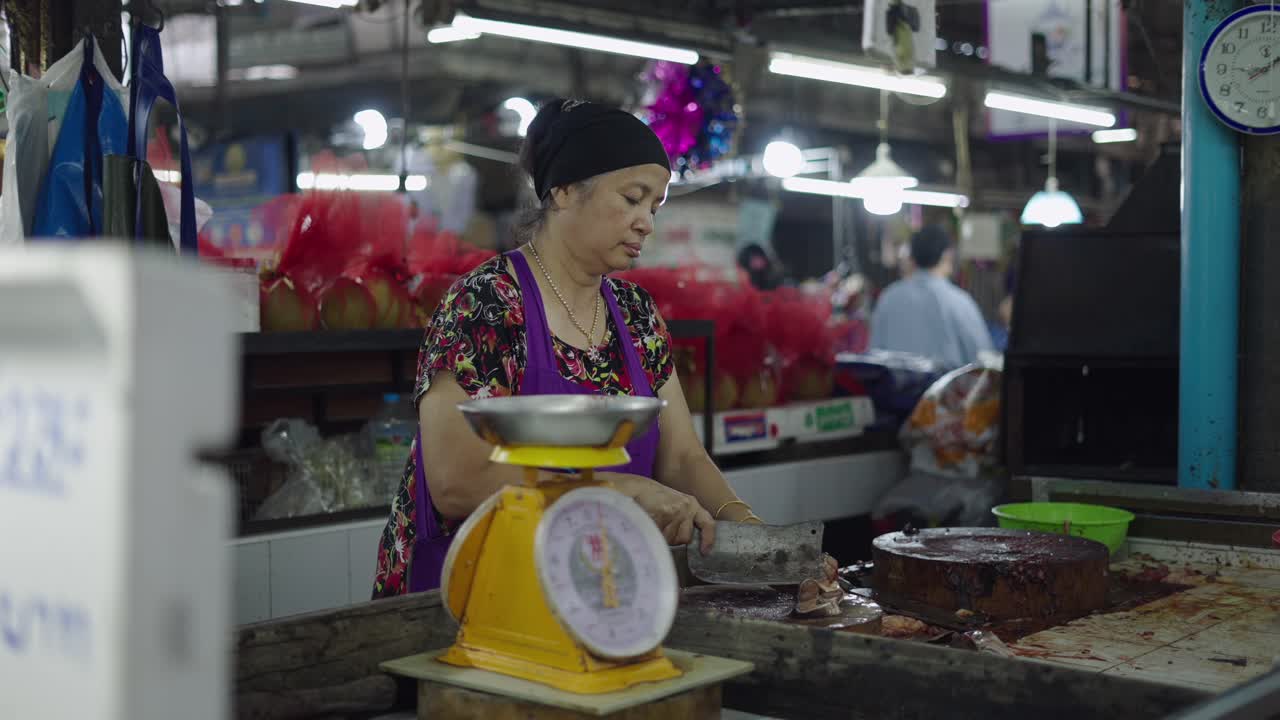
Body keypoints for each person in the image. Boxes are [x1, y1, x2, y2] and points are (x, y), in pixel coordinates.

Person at [371, 98, 762, 598]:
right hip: (468, 595)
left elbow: (681, 457)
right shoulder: (488, 304)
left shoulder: (636, 315)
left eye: (654, 206)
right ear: (564, 190)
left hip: (589, 592)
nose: (647, 222)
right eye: (632, 198)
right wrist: (621, 494)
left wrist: (748, 530)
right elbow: (454, 480)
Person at [868, 224, 993, 369]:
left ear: (912, 257)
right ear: (947, 255)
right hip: (945, 391)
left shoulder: (888, 298)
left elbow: (874, 355)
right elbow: (984, 361)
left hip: (895, 390)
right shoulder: (959, 302)